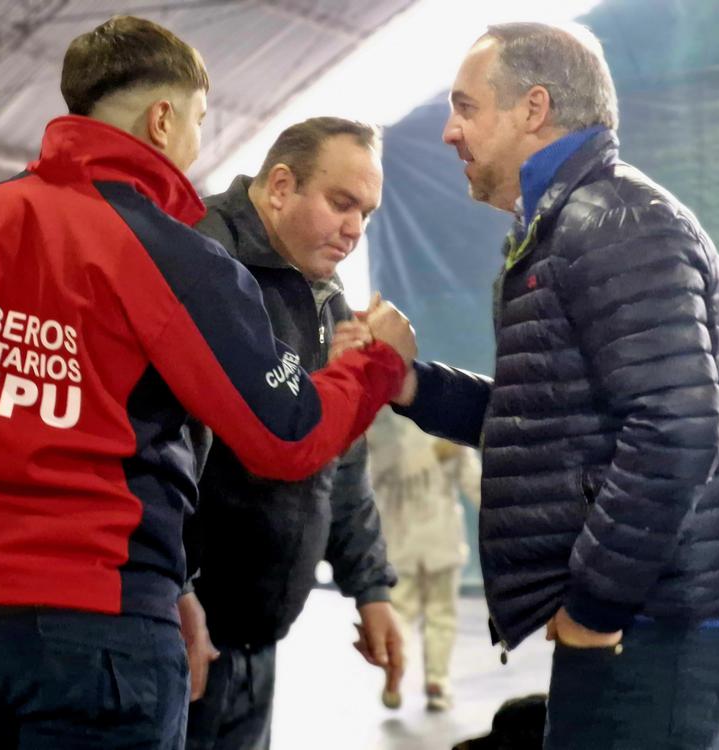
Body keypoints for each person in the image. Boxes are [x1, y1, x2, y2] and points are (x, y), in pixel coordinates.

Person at [0, 17, 415, 749]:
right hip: (93, 624)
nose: (198, 142)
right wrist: (378, 363)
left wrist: (2, 399)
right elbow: (285, 436)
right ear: (163, 119)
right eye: (200, 120)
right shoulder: (170, 254)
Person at [348, 21, 719, 749]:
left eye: (466, 108)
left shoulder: (612, 224)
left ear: (534, 108)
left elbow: (677, 430)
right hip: (655, 601)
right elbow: (545, 422)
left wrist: (595, 606)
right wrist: (410, 384)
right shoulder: (570, 223)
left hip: (660, 612)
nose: (450, 132)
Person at [180, 117, 405, 750]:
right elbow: (156, 450)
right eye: (342, 203)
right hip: (182, 629)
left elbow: (338, 449)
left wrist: (370, 585)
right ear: (281, 186)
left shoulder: (322, 294)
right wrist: (174, 588)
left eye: (366, 213)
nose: (355, 229)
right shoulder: (200, 261)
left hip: (255, 633)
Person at [367, 410, 481, 711]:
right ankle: (437, 681)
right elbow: (473, 482)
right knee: (440, 615)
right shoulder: (448, 424)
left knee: (399, 614)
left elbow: (366, 479)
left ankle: (395, 672)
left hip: (400, 540)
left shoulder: (379, 426)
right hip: (439, 536)